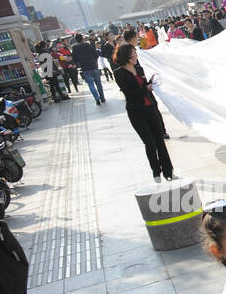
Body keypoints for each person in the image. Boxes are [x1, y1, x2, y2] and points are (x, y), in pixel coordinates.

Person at [112, 44, 173, 182]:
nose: (135, 57)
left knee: (160, 141)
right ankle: (156, 172)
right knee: (150, 143)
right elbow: (129, 93)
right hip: (136, 112)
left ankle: (168, 172)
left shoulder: (139, 69)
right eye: (133, 54)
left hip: (151, 108)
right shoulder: (119, 73)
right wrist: (147, 88)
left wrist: (152, 82)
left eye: (135, 53)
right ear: (125, 57)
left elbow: (145, 85)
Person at [70, 33, 104, 106]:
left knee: (90, 83)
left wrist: (78, 63)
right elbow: (96, 55)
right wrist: (94, 60)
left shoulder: (74, 48)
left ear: (76, 40)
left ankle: (97, 99)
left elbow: (74, 59)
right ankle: (102, 98)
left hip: (85, 68)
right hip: (94, 66)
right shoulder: (88, 45)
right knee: (98, 83)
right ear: (82, 38)